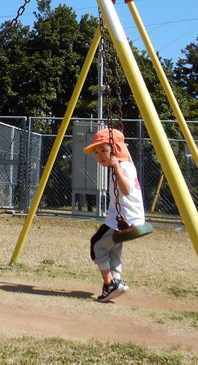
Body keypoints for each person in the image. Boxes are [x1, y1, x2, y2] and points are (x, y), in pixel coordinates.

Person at [83, 127, 146, 302]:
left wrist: (117, 167)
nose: (100, 155)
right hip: (132, 216)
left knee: (97, 244)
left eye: (104, 150)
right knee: (113, 248)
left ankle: (110, 283)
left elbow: (125, 190)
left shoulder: (122, 167)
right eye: (96, 152)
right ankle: (117, 282)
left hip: (123, 219)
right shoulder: (129, 165)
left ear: (116, 150)